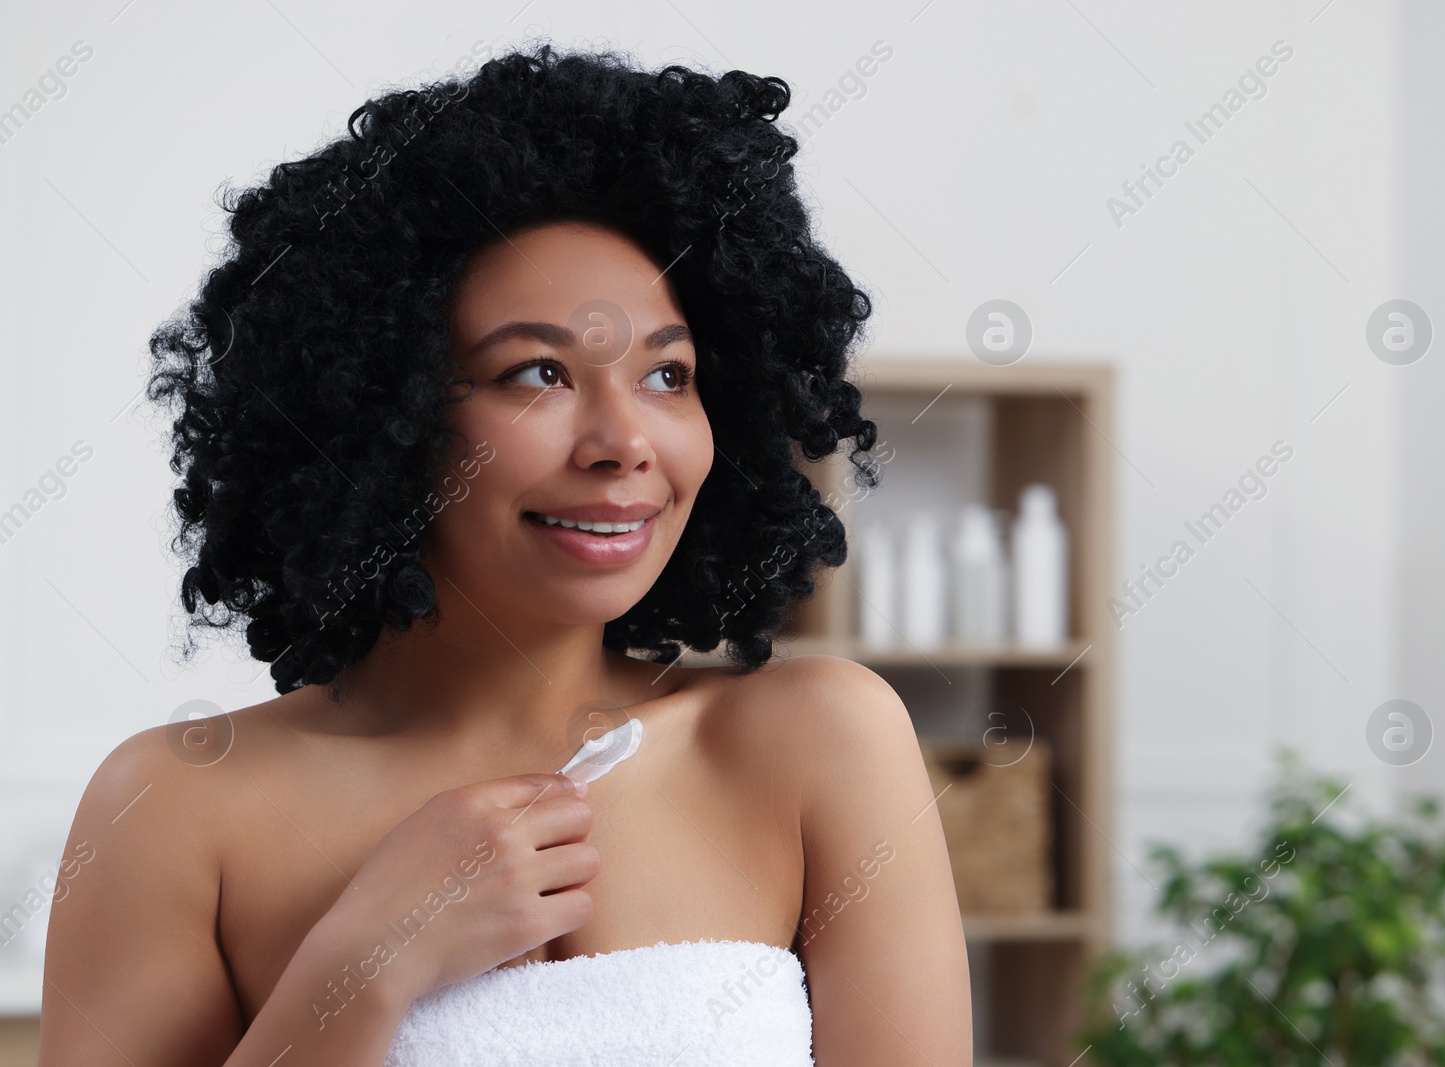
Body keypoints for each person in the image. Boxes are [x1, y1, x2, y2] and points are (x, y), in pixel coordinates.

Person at [36, 37, 971, 1066]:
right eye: (535, 371)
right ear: (377, 416)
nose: (624, 442)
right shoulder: (174, 811)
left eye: (669, 376)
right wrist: (364, 960)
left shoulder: (817, 744)